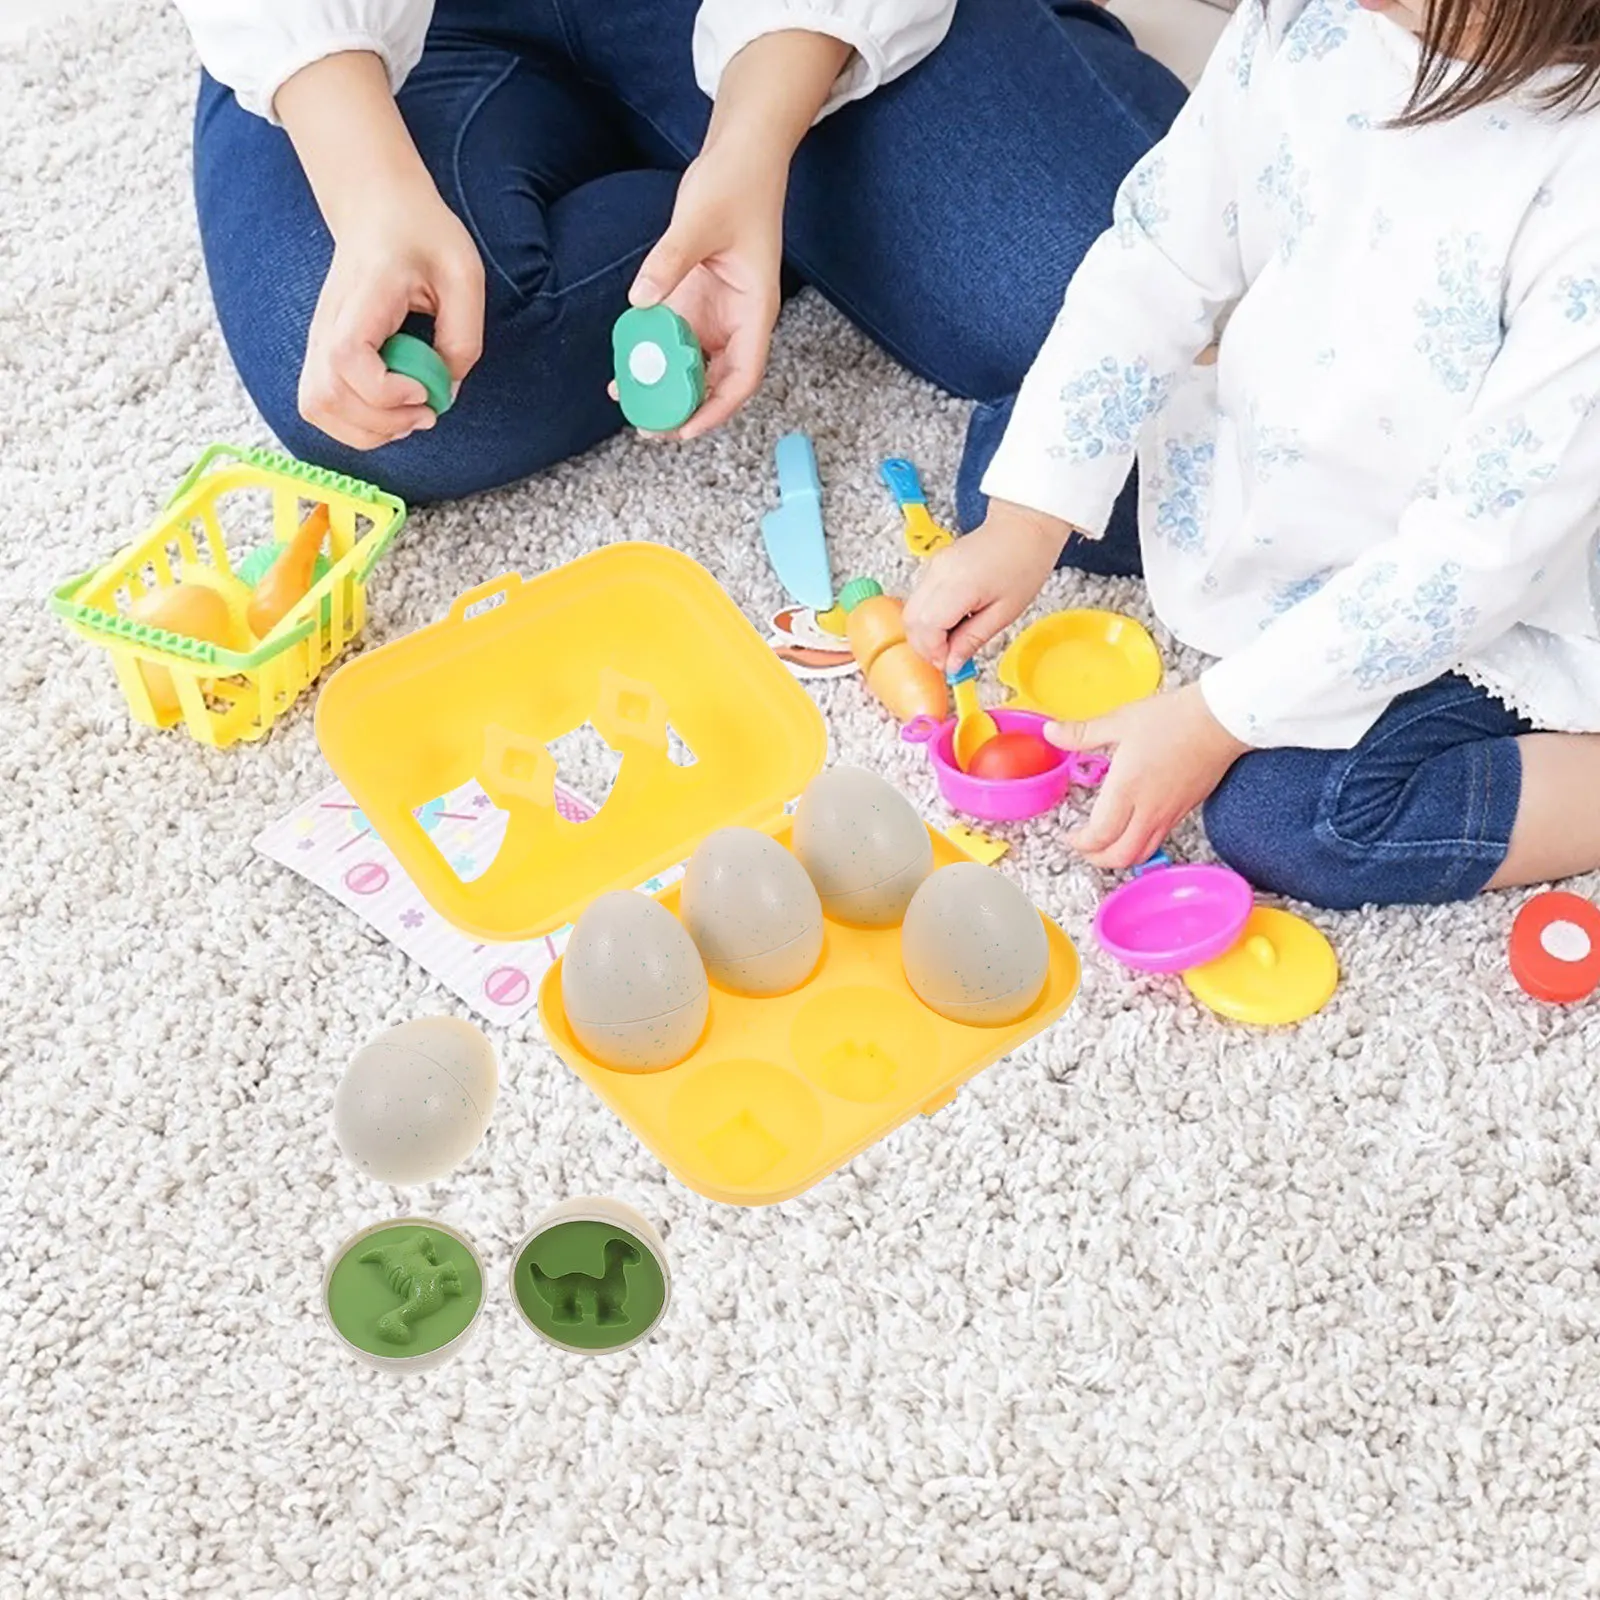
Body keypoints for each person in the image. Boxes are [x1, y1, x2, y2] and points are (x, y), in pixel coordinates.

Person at [904, 0, 1600, 911]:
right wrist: (1029, 519)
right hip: (1294, 459)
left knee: (1290, 819)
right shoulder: (1309, 21)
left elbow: (1476, 556)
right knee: (1009, 462)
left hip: (1507, 575)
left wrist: (1214, 718)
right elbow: (1155, 260)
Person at [173, 0, 1187, 507]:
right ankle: (789, 205)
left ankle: (768, 174)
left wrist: (753, 139)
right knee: (396, 387)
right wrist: (375, 191)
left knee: (1110, 307)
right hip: (421, 29)